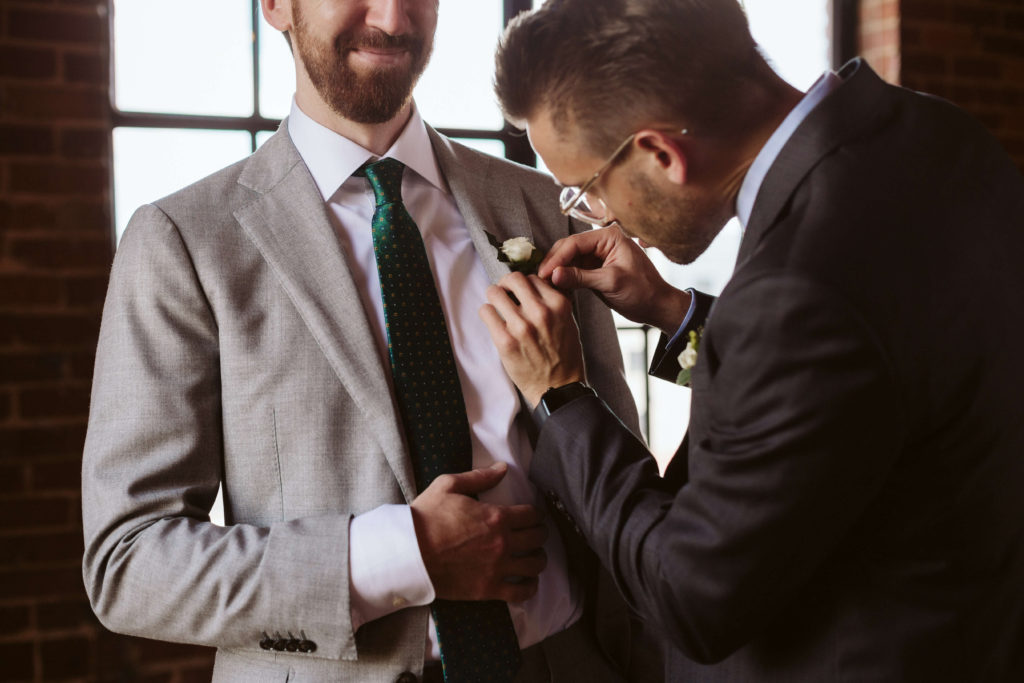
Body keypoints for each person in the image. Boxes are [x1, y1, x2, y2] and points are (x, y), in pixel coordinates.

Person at [81, 1, 657, 681]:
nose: (391, 17)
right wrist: (403, 553)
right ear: (274, 6)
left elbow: (620, 472)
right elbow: (129, 561)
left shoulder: (539, 207)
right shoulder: (186, 241)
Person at [480, 0, 1024, 681]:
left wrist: (561, 397)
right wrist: (675, 312)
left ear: (659, 152)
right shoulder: (936, 130)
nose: (601, 215)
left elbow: (690, 593)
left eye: (586, 189)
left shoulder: (796, 289)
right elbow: (858, 385)